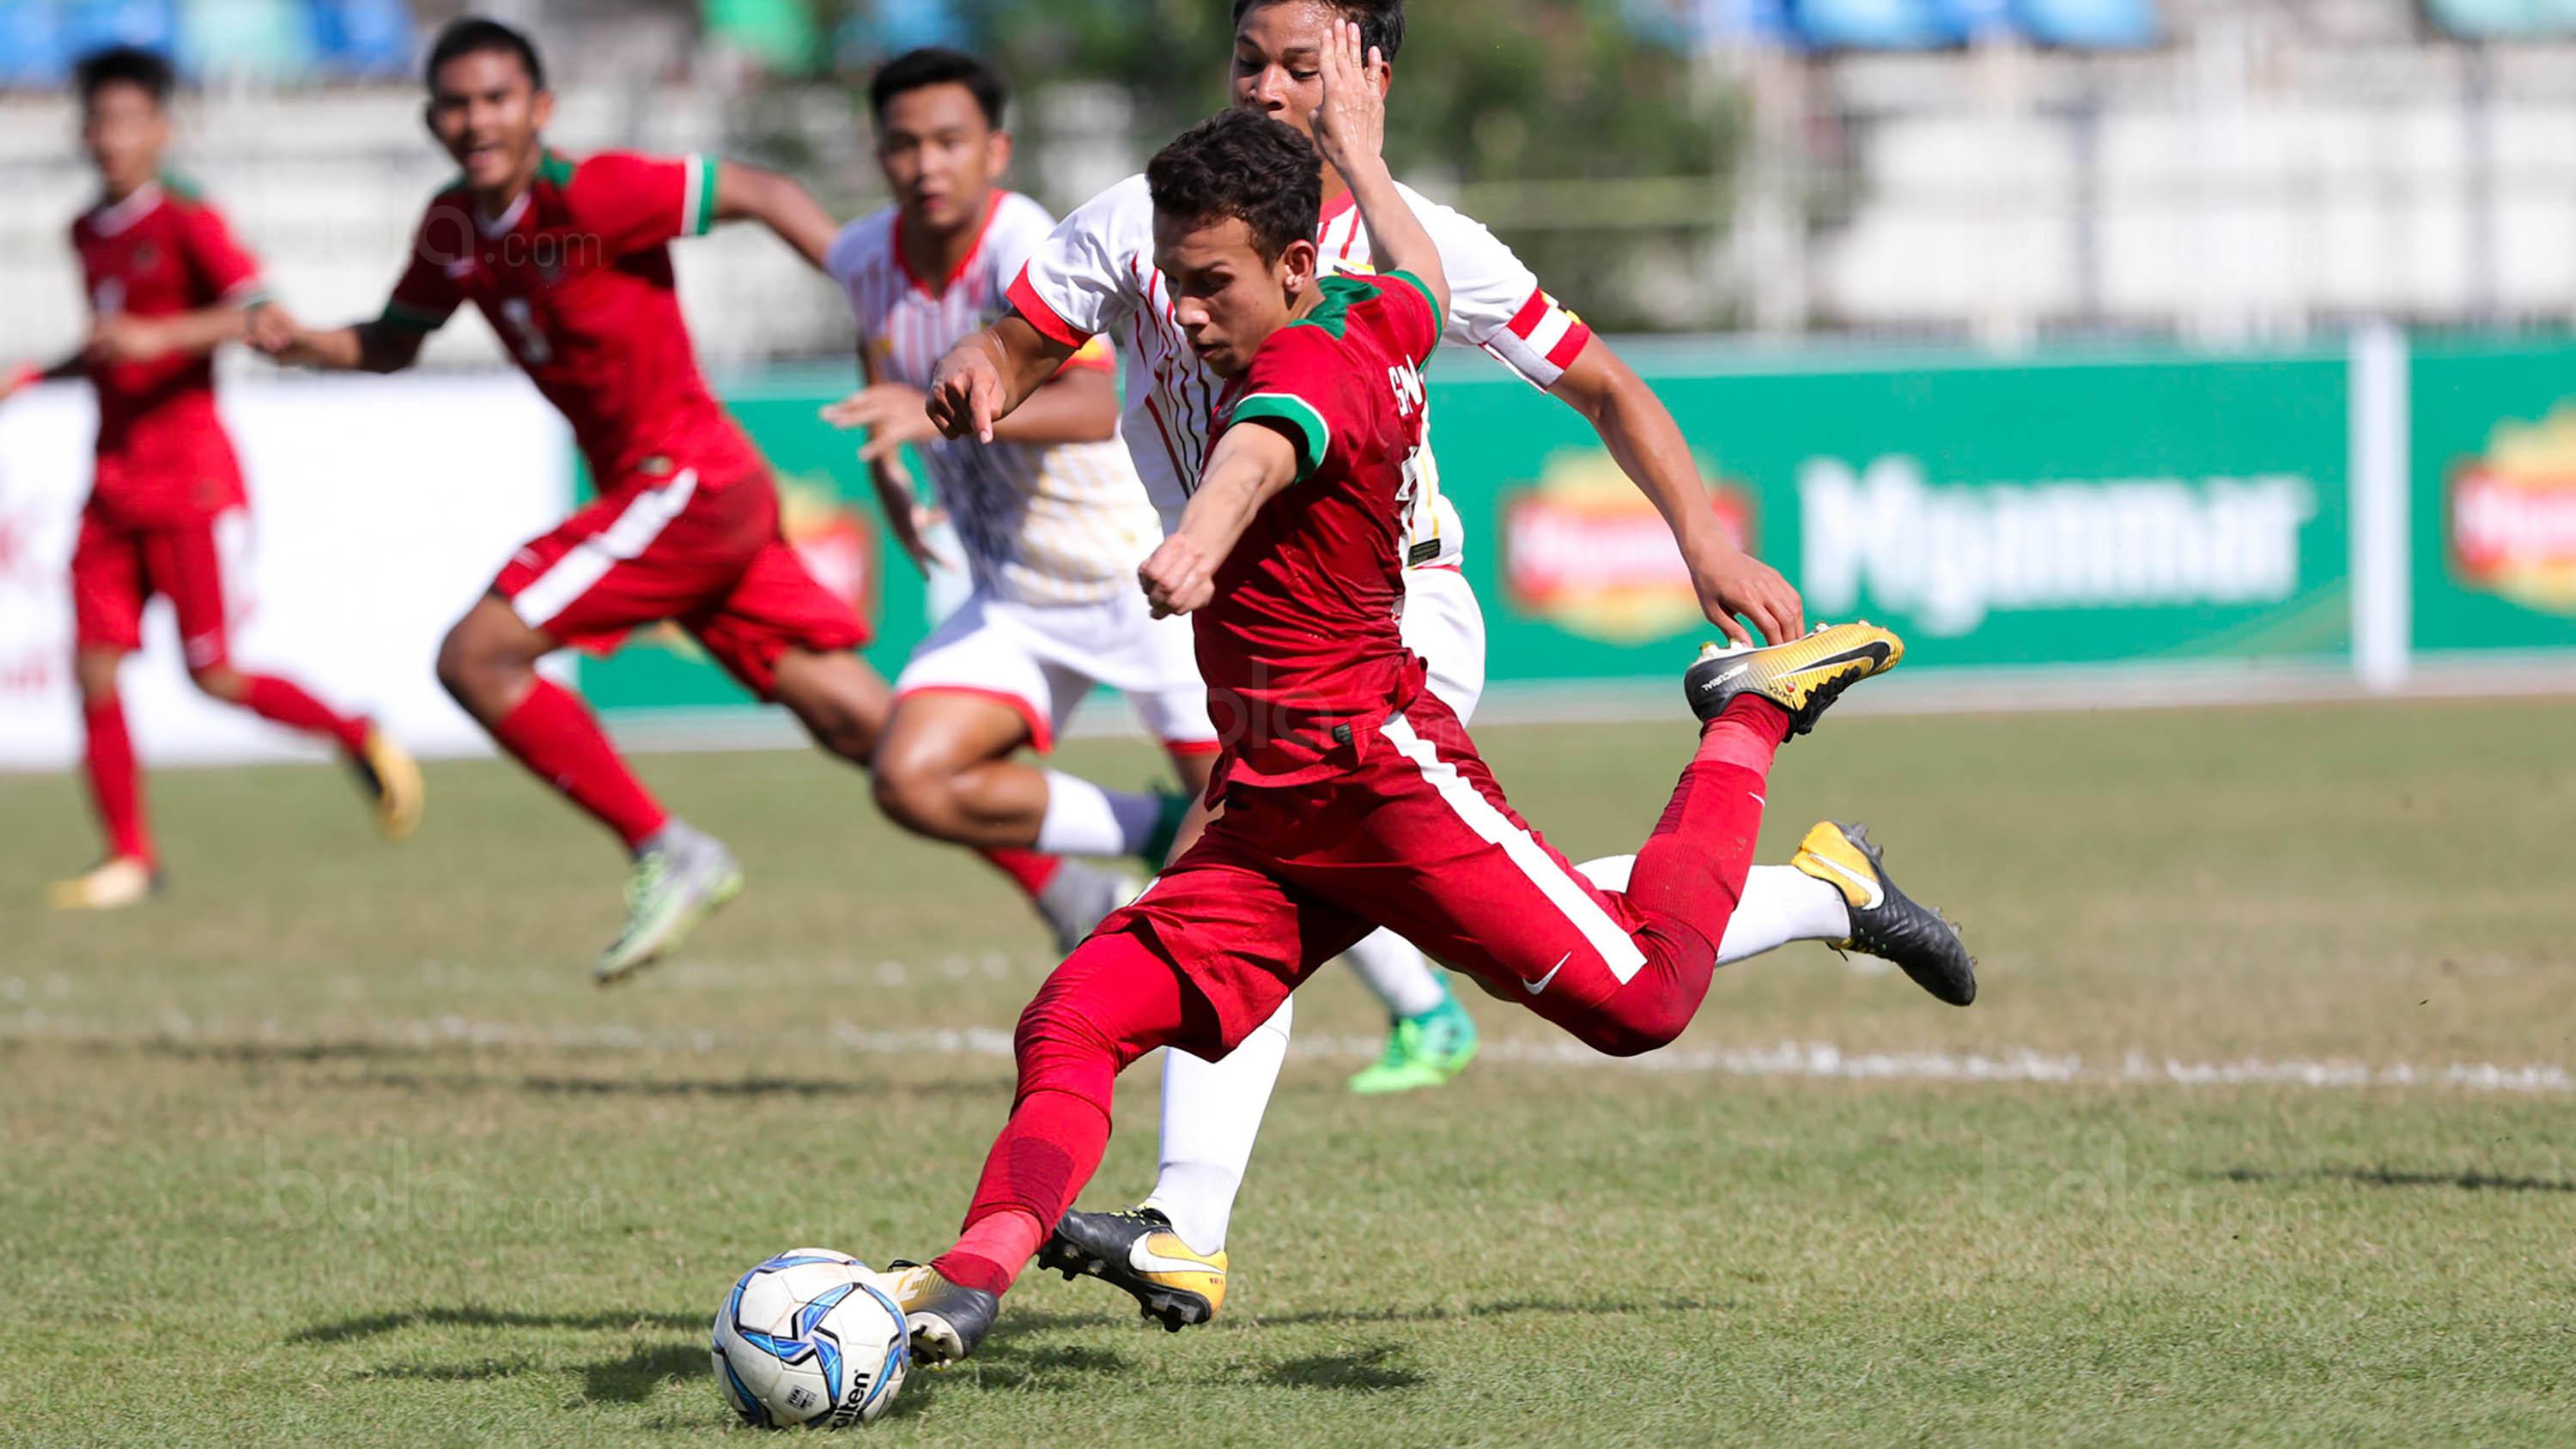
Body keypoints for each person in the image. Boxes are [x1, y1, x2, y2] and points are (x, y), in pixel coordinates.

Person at [890, 58, 1964, 1367]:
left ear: (1293, 269)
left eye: (1206, 284)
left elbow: (1260, 445)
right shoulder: (1386, 308)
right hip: (1276, 800)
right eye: (1170, 279)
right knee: (1072, 1015)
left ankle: (1749, 718)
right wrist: (1360, 152)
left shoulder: (1320, 362)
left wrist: (1197, 547)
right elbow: (1417, 280)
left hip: (1379, 772)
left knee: (1642, 1002)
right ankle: (970, 1278)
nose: (1179, 310)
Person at [252, 17, 886, 980]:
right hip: (692, 496)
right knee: (854, 720)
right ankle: (1081, 872)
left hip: (684, 479)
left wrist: (872, 287)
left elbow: (759, 189)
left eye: (497, 98)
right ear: (432, 119)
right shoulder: (453, 228)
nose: (478, 120)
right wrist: (303, 344)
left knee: (477, 655)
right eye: (457, 104)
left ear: (540, 109)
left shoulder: (596, 191)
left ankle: (669, 848)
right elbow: (392, 341)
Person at [2, 45, 422, 911]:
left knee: (216, 674)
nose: (111, 139)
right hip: (112, 488)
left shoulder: (189, 218)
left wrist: (165, 337)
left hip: (190, 481)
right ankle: (129, 854)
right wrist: (38, 376)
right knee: (93, 667)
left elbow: (262, 313)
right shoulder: (86, 230)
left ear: (160, 129)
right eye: (99, 122)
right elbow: (113, 349)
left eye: (128, 121)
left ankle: (356, 730)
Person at [822, 48, 1206, 950]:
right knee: (911, 776)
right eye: (904, 143)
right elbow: (879, 358)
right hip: (1018, 593)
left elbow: (1096, 400)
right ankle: (1150, 831)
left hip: (1128, 573)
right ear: (878, 154)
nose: (926, 164)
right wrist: (887, 467)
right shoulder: (860, 255)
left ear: (995, 150)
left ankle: (1422, 1003)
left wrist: (921, 415)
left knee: (1245, 809)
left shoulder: (1018, 239)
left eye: (948, 141)